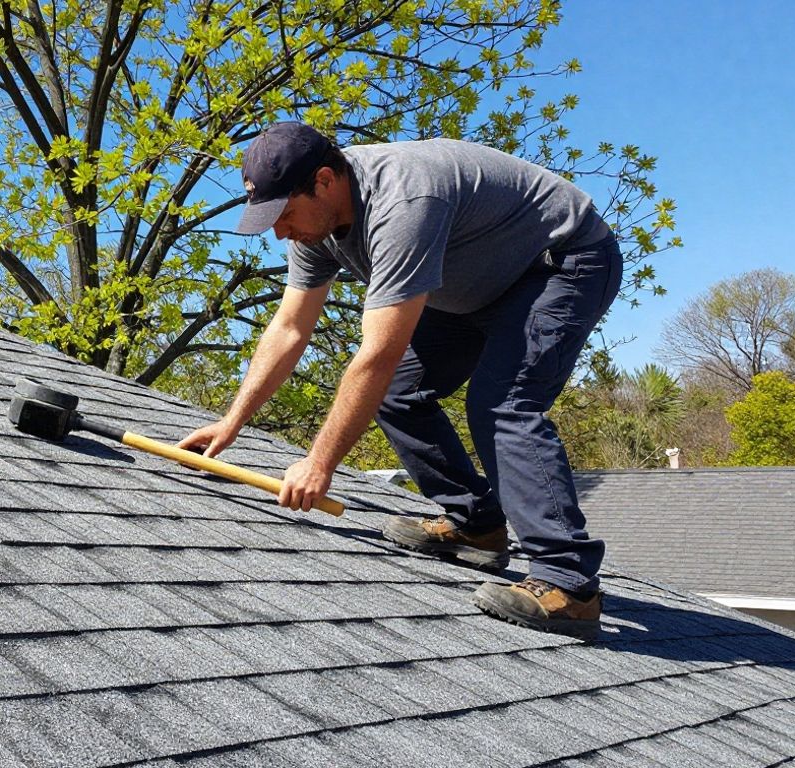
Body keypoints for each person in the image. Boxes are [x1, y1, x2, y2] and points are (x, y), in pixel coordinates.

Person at [178, 122, 621, 640]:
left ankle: (570, 583)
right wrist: (232, 422)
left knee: (501, 403)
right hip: (471, 286)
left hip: (560, 263)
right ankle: (477, 524)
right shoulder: (316, 225)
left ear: (323, 181)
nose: (280, 232)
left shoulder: (403, 202)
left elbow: (377, 354)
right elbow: (290, 328)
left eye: (284, 215)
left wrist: (321, 464)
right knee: (398, 393)